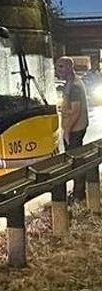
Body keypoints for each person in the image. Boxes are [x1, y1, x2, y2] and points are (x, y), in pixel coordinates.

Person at [57, 56, 90, 201]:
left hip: (75, 128)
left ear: (70, 67)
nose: (58, 70)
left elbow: (76, 111)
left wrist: (67, 130)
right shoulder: (71, 83)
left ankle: (78, 194)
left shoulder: (75, 85)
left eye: (61, 67)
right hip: (76, 127)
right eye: (58, 67)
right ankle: (78, 192)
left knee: (76, 162)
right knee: (76, 161)